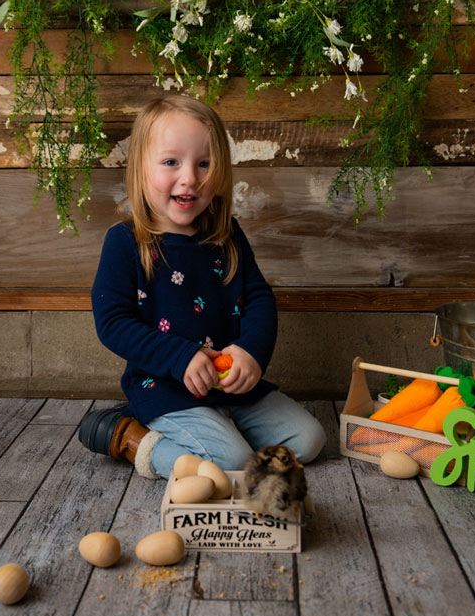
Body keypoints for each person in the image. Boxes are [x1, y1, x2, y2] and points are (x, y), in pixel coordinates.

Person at [80, 96, 324, 478]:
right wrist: (180, 358)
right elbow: (113, 322)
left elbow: (259, 298)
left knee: (308, 440)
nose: (190, 177)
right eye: (171, 162)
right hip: (167, 389)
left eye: (204, 163)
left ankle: (224, 430)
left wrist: (251, 353)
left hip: (231, 389)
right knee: (230, 463)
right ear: (142, 168)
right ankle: (134, 439)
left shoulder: (226, 236)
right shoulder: (126, 242)